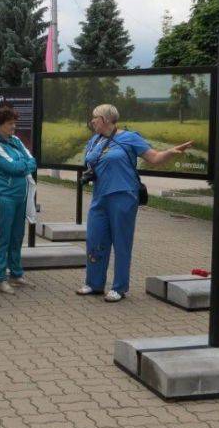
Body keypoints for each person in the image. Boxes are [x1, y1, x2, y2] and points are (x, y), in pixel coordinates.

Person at [76, 104, 193, 302]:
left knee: (122, 242)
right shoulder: (95, 139)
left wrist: (171, 151)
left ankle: (119, 287)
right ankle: (94, 283)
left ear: (104, 119)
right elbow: (90, 163)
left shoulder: (130, 138)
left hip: (123, 196)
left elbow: (154, 158)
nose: (92, 121)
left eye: (94, 118)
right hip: (100, 197)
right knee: (95, 239)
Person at [0, 107, 36, 294]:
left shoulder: (16, 141)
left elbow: (33, 161)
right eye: (9, 123)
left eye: (15, 123)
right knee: (2, 238)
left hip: (20, 197)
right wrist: (23, 166)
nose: (14, 126)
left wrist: (22, 165)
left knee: (17, 237)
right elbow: (13, 167)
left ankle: (16, 274)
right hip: (4, 197)